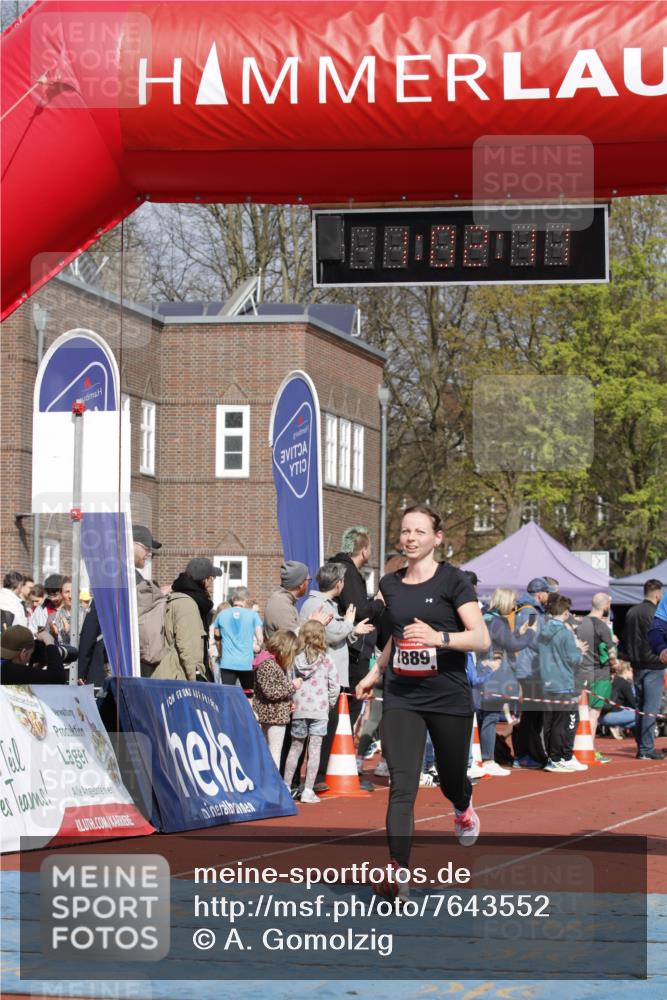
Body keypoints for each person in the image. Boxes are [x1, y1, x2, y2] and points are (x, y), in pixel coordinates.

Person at [356, 504, 490, 895]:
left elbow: (481, 638)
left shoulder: (454, 581)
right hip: (402, 695)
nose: (410, 538)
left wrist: (440, 638)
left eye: (418, 532)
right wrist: (375, 672)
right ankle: (399, 871)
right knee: (402, 784)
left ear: (437, 538)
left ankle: (463, 807)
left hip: (448, 695)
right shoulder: (390, 584)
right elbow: (397, 636)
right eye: (404, 531)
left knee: (450, 777)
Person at [300, 562, 375, 787]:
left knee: (328, 728)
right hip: (323, 677)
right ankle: (317, 777)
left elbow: (338, 636)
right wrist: (350, 624)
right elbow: (332, 635)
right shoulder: (318, 605)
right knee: (322, 729)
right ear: (338, 583)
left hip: (332, 675)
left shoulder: (324, 604)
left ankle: (320, 775)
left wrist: (352, 631)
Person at [330, 532, 386, 730]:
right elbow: (359, 611)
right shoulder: (349, 572)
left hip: (346, 646)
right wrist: (379, 602)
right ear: (364, 550)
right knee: (350, 703)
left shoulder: (338, 568)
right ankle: (334, 754)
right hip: (353, 650)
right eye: (370, 548)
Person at [478, 587, 536, 776]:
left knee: (484, 716)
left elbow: (507, 643)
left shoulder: (486, 617)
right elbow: (511, 645)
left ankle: (483, 757)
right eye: (513, 602)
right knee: (490, 717)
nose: (514, 606)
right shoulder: (496, 620)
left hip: (486, 671)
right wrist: (529, 634)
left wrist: (519, 633)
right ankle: (487, 759)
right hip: (494, 674)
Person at [283, 621, 340, 803]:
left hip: (299, 708)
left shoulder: (294, 659)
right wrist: (330, 704)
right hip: (320, 709)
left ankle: (285, 787)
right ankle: (308, 790)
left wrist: (291, 701)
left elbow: (289, 682)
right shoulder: (327, 659)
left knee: (295, 748)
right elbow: (334, 685)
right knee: (314, 750)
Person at [538, 594, 589, 773]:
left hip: (546, 681)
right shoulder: (564, 633)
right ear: (566, 612)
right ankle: (557, 758)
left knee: (550, 722)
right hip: (561, 681)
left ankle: (556, 757)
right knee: (562, 722)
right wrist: (579, 650)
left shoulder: (543, 630)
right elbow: (572, 659)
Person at [512, 577, 557, 769]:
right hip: (530, 668)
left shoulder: (524, 610)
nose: (548, 597)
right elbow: (533, 639)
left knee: (530, 715)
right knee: (532, 715)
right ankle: (527, 754)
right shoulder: (531, 613)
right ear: (540, 594)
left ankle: (525, 753)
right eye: (547, 593)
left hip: (527, 667)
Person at [153, 557, 221, 681]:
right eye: (211, 578)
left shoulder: (181, 597)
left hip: (175, 671)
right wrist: (195, 676)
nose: (211, 583)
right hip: (180, 675)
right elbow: (187, 645)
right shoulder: (187, 604)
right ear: (205, 580)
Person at [625, 580, 666, 759]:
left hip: (636, 663)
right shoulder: (657, 614)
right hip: (654, 664)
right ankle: (646, 749)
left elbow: (626, 638)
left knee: (640, 707)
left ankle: (642, 746)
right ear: (657, 594)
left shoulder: (631, 611)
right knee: (650, 707)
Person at [576, 592, 617, 763]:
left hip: (581, 673)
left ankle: (577, 748)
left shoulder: (579, 624)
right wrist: (615, 667)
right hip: (600, 674)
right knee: (593, 715)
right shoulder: (602, 626)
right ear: (606, 606)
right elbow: (612, 653)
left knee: (581, 713)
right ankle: (589, 750)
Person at [253, 629, 300, 767]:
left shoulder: (267, 661)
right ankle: (272, 785)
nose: (293, 655)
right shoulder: (268, 664)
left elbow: (273, 689)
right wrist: (293, 686)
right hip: (274, 715)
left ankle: (269, 784)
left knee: (268, 752)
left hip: (270, 713)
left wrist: (288, 702)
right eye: (293, 651)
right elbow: (271, 692)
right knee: (274, 753)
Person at [214, 587, 263, 695]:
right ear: (246, 600)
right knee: (248, 695)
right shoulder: (253, 615)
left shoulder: (222, 614)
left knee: (227, 695)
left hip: (227, 662)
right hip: (246, 663)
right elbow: (260, 639)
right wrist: (257, 646)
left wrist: (221, 652)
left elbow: (217, 636)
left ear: (233, 599)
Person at [263, 561, 332, 639]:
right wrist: (315, 624)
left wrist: (309, 621)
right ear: (301, 584)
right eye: (308, 580)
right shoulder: (281, 605)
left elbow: (294, 629)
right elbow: (292, 640)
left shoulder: (284, 600)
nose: (308, 584)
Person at [0, 625, 67, 684]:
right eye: (30, 654)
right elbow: (58, 678)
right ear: (23, 653)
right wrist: (49, 642)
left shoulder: (5, 668)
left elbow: (23, 676)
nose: (30, 658)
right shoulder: (11, 671)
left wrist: (37, 668)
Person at [599, 661, 637, 738]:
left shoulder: (612, 680)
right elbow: (633, 704)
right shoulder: (624, 683)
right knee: (645, 716)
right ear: (627, 670)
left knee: (637, 720)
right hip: (612, 715)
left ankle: (617, 727)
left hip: (601, 715)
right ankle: (618, 727)